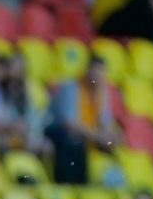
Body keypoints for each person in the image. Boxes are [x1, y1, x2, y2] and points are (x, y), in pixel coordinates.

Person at [45, 56, 119, 186]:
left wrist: (109, 136)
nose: (97, 77)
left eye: (100, 73)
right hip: (59, 132)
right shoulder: (71, 87)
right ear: (87, 71)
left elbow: (105, 122)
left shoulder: (101, 93)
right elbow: (69, 123)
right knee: (73, 141)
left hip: (88, 135)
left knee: (115, 143)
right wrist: (98, 137)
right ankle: (71, 186)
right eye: (95, 72)